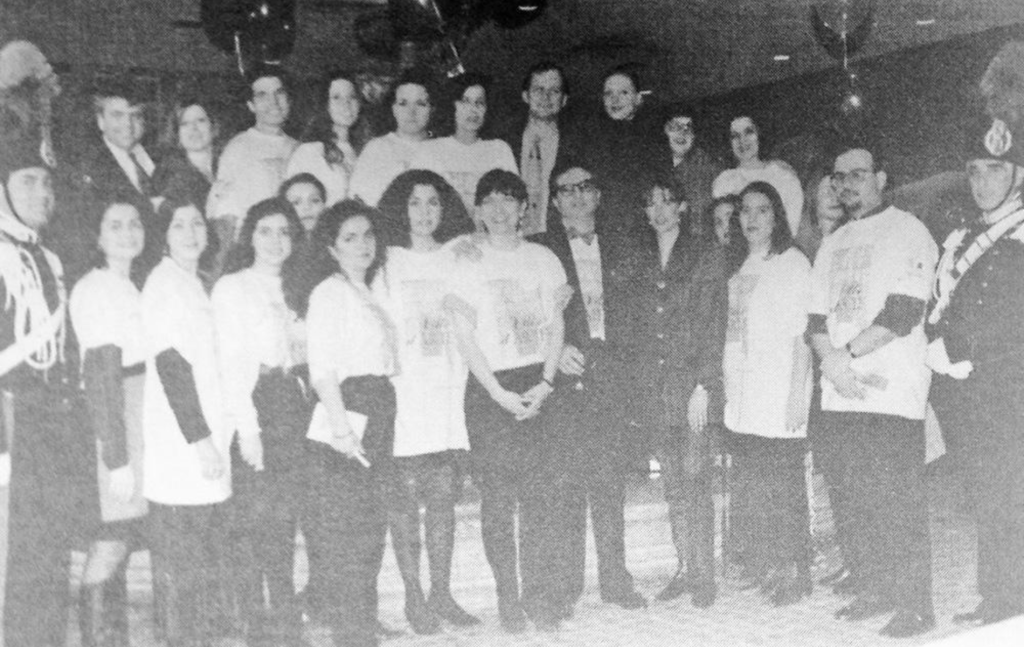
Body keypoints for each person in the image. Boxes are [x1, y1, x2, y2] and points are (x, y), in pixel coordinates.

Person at [808, 146, 938, 638]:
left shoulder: (908, 230)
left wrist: (847, 357)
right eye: (839, 178)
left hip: (890, 392)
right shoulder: (833, 241)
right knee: (856, 499)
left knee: (897, 502)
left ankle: (916, 607)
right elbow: (815, 318)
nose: (847, 185)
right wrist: (832, 363)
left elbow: (904, 310)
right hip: (842, 390)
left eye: (858, 175)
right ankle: (874, 588)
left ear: (881, 177)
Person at [445, 170, 568, 633]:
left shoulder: (542, 258)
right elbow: (463, 335)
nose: (499, 211)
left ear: (523, 209)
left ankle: (540, 596)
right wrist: (496, 392)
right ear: (478, 210)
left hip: (537, 382)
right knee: (498, 501)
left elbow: (556, 325)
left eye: (509, 201)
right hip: (488, 389)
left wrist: (546, 382)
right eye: (490, 201)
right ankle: (508, 599)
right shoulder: (466, 261)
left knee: (542, 498)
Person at [531, 160, 648, 618]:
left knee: (609, 483)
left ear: (597, 196)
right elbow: (523, 312)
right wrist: (553, 352)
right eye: (567, 189)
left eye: (585, 187)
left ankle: (616, 581)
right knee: (567, 485)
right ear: (555, 200)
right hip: (565, 376)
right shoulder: (538, 249)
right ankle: (565, 586)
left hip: (611, 376)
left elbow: (638, 313)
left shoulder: (622, 246)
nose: (577, 196)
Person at [285, 200, 395, 647]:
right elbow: (322, 370)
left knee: (368, 530)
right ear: (330, 247)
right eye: (349, 237)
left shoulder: (365, 288)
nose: (362, 244)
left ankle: (355, 628)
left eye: (368, 235)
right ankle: (354, 635)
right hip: (347, 410)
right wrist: (341, 430)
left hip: (375, 405)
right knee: (351, 535)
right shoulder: (329, 293)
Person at [928, 116, 1024, 626]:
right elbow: (945, 302)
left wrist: (969, 350)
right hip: (966, 390)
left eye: (993, 169)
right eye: (974, 171)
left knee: (1011, 495)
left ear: (1018, 174)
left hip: (1010, 387)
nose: (981, 181)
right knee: (985, 494)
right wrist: (938, 344)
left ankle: (1012, 603)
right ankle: (999, 596)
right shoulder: (965, 235)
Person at [374, 169, 477, 633]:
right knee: (402, 500)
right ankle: (414, 597)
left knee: (441, 500)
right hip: (403, 392)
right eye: (414, 203)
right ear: (400, 208)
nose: (424, 212)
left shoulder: (457, 255)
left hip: (446, 389)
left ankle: (442, 593)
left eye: (433, 202)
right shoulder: (386, 261)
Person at [0, 140, 89, 647]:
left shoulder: (48, 258)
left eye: (47, 182)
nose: (42, 192)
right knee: (13, 557)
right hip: (12, 423)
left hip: (52, 425)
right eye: (28, 181)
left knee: (50, 553)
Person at [212, 197, 311, 645]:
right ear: (249, 236)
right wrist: (247, 428)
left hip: (296, 403)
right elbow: (233, 364)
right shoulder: (233, 287)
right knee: (255, 519)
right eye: (265, 231)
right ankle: (254, 626)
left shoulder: (299, 285)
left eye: (284, 232)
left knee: (285, 517)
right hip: (256, 403)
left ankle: (287, 621)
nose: (275, 241)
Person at [627, 173, 728, 609]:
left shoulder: (706, 253)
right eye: (651, 203)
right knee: (672, 484)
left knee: (695, 480)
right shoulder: (641, 255)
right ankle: (685, 568)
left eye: (667, 201)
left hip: (693, 387)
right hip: (657, 388)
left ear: (683, 206)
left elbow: (714, 321)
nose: (660, 210)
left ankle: (703, 576)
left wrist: (706, 384)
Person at [141, 196, 232, 646]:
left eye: (197, 223)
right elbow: (172, 366)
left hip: (200, 439)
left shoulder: (193, 282)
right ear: (163, 234)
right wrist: (201, 440)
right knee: (180, 568)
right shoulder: (164, 284)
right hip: (181, 446)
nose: (192, 232)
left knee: (197, 566)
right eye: (179, 225)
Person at [723, 181, 813, 606]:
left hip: (779, 390)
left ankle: (794, 571)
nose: (751, 219)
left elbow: (803, 336)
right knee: (757, 483)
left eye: (761, 210)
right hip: (744, 393)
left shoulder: (792, 263)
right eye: (744, 210)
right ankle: (766, 563)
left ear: (777, 216)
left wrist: (798, 394)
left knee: (783, 484)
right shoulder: (740, 265)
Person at [69, 195, 150, 646]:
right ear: (98, 238)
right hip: (114, 419)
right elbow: (100, 374)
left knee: (123, 536)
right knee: (112, 537)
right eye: (115, 225)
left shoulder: (129, 284)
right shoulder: (97, 287)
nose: (127, 232)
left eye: (134, 223)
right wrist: (116, 458)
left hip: (135, 416)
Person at [210, 67, 297, 248]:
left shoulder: (300, 148)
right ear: (251, 105)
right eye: (262, 95)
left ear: (289, 100)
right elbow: (225, 213)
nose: (273, 102)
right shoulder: (237, 148)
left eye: (279, 93)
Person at [413, 73, 517, 218]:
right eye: (465, 101)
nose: (473, 110)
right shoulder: (430, 150)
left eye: (479, 102)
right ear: (452, 105)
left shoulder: (500, 150)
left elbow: (513, 204)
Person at [496, 62, 574, 235]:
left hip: (558, 240)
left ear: (564, 99)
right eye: (539, 90)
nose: (546, 98)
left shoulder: (576, 145)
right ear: (526, 96)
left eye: (554, 91)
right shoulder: (502, 143)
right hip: (510, 238)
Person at [350, 69, 435, 207]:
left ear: (432, 109)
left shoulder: (442, 149)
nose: (411, 112)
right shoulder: (376, 149)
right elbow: (358, 202)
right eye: (403, 103)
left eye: (420, 104)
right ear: (393, 108)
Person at [713, 115, 804, 237]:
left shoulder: (783, 175)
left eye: (748, 132)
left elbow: (792, 228)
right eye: (735, 136)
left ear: (760, 134)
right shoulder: (724, 181)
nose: (742, 141)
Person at [287, 70, 367, 206]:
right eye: (336, 97)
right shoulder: (310, 152)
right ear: (325, 105)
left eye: (352, 97)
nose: (346, 104)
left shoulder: (365, 150)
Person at [79, 77, 157, 207]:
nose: (128, 124)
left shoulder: (162, 157)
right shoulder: (88, 168)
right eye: (118, 116)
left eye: (135, 116)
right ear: (101, 121)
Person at [662, 107, 724, 239]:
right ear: (665, 130)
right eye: (675, 127)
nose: (682, 133)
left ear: (694, 135)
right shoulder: (651, 165)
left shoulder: (710, 169)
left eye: (688, 128)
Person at [152, 98, 221, 208]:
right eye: (185, 123)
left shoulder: (230, 160)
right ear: (176, 133)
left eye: (200, 120)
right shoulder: (166, 173)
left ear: (212, 126)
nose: (194, 128)